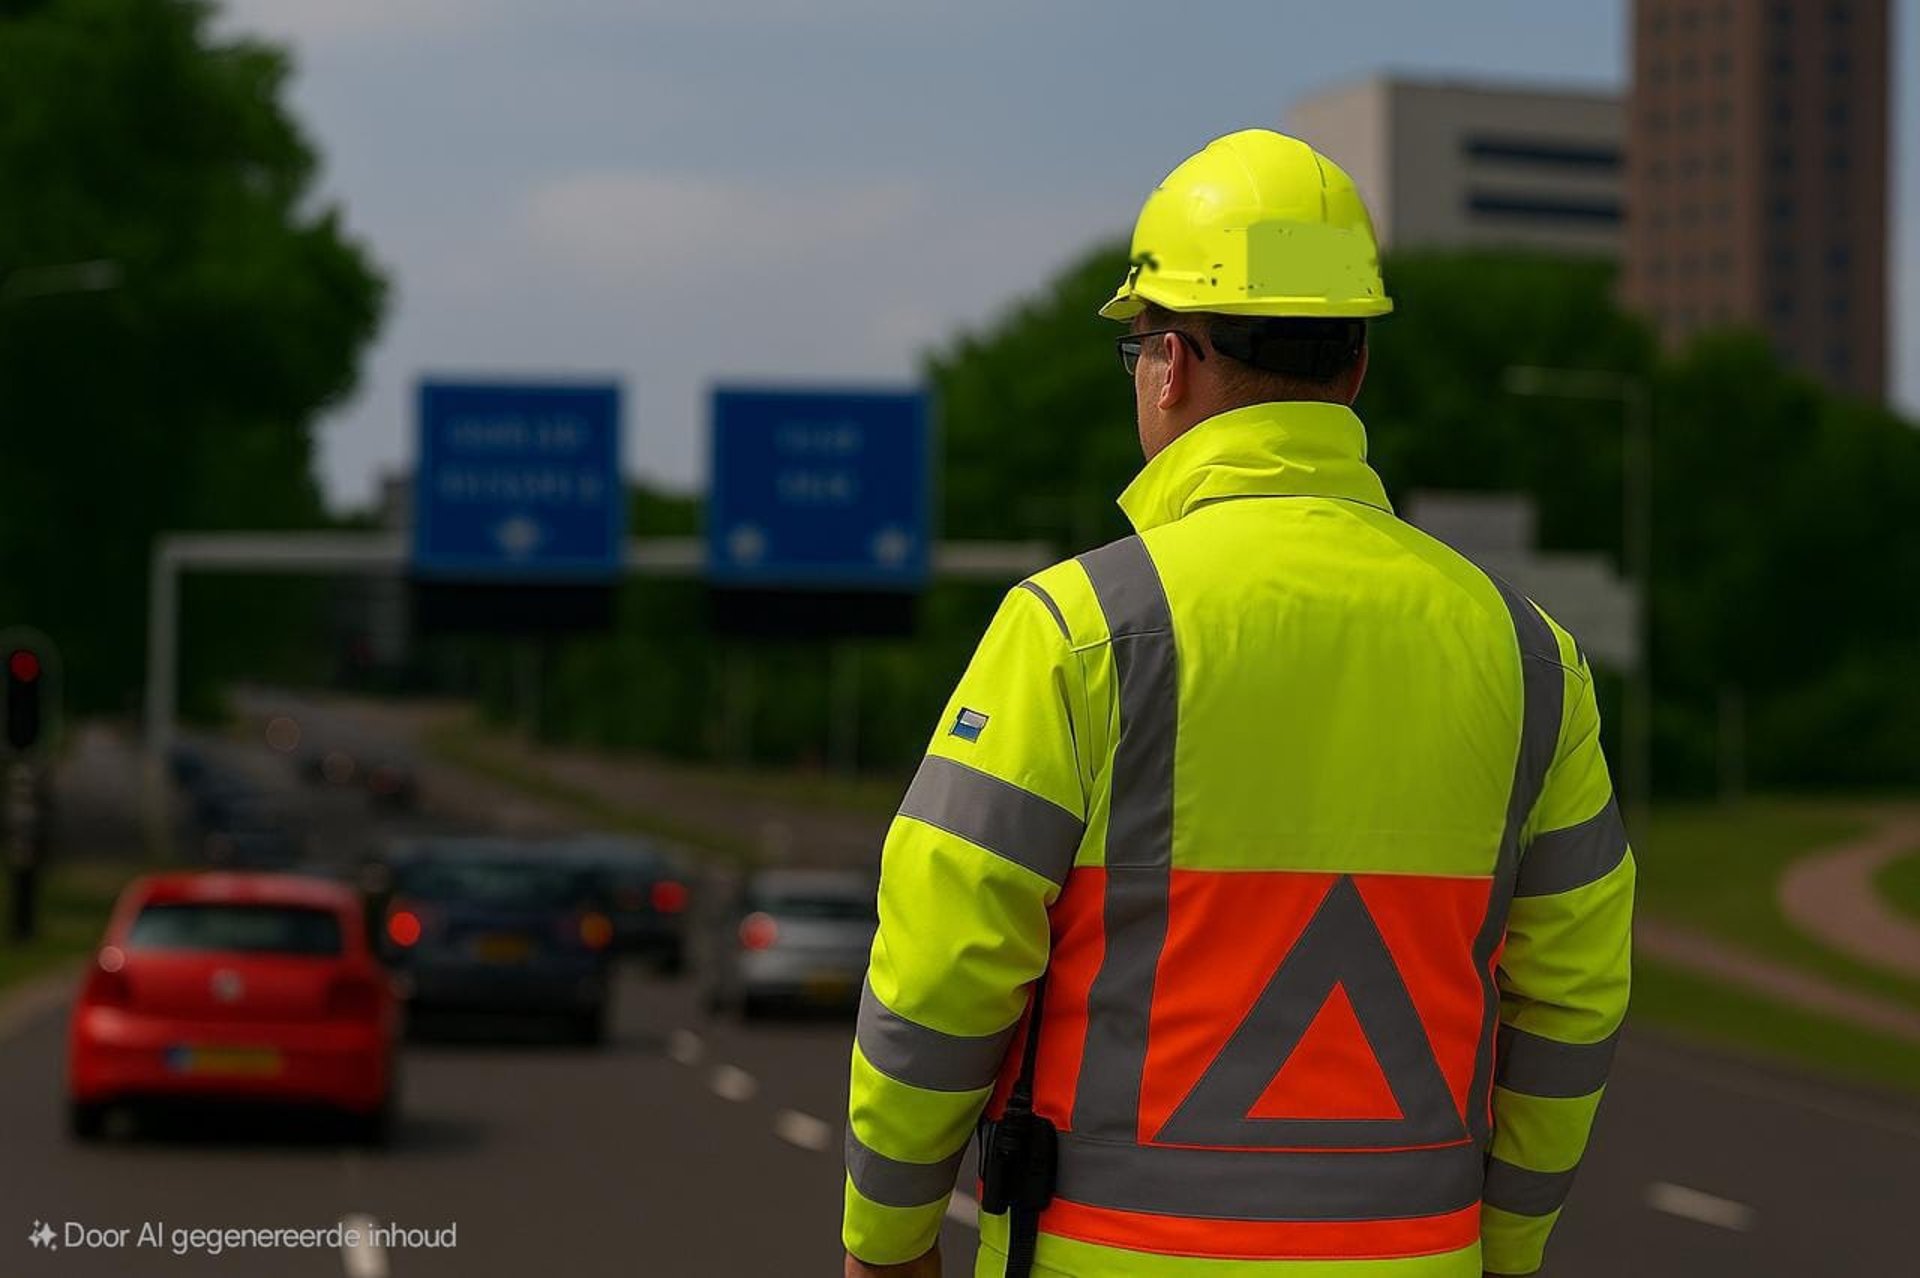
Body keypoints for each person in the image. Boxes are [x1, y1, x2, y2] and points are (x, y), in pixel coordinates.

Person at [842, 129, 1634, 1278]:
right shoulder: (1531, 656)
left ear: (1170, 364)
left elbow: (941, 971)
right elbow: (1574, 1001)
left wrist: (888, 1239)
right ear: (1354, 366)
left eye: (1137, 356)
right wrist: (1502, 1249)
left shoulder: (1078, 631)